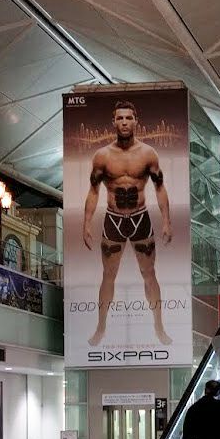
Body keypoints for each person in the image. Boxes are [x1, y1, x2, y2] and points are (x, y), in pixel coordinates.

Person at [82, 100, 174, 347]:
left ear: (136, 121)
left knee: (149, 273)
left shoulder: (147, 154)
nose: (124, 122)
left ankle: (159, 327)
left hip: (140, 218)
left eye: (128, 118)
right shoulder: (102, 156)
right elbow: (93, 191)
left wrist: (166, 221)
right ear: (114, 121)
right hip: (113, 220)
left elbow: (160, 187)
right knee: (108, 275)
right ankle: (101, 328)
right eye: (120, 118)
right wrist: (86, 223)